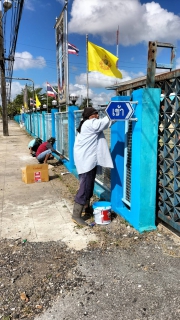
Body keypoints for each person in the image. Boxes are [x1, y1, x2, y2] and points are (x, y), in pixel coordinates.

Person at [72, 107, 114, 226]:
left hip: (86, 161)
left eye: (97, 114)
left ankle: (87, 209)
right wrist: (116, 110)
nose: (97, 117)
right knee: (85, 187)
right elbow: (105, 122)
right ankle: (76, 215)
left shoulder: (85, 125)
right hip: (87, 161)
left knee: (88, 186)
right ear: (90, 116)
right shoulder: (90, 123)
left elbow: (107, 122)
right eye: (95, 114)